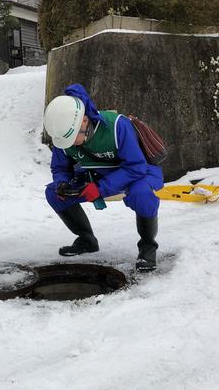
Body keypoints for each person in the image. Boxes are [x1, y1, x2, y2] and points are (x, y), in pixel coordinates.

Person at [43, 83, 163, 271]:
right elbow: (59, 167)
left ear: (84, 121)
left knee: (142, 195)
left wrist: (100, 188)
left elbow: (136, 167)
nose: (71, 144)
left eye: (74, 137)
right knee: (53, 193)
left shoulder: (118, 127)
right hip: (94, 179)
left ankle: (148, 246)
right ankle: (86, 239)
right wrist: (62, 183)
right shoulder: (65, 135)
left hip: (134, 175)